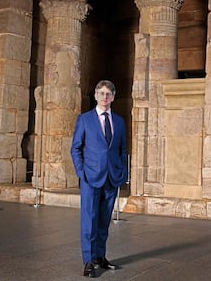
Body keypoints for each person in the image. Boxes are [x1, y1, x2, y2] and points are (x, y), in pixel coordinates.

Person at [70, 80, 128, 278]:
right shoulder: (85, 120)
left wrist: (122, 171)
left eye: (108, 94)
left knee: (104, 221)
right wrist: (81, 172)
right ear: (96, 96)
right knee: (89, 221)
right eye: (101, 93)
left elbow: (123, 149)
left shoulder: (119, 121)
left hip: (112, 178)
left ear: (113, 97)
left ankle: (100, 257)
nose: (105, 97)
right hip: (90, 178)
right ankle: (88, 261)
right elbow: (75, 148)